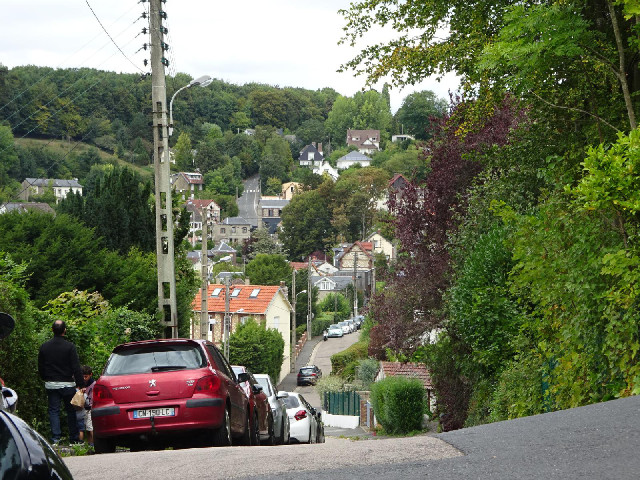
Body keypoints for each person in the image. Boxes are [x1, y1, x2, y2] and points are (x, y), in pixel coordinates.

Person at [38, 320, 84, 445]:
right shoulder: (70, 346)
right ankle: (74, 439)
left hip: (51, 384)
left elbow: (41, 367)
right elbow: (76, 367)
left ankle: (55, 439)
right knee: (70, 410)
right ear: (65, 330)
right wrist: (81, 384)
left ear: (52, 330)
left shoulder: (44, 346)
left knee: (54, 410)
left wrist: (45, 377)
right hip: (68, 384)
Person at [81, 365, 95, 447]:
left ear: (90, 375)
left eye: (86, 377)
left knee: (90, 427)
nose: (84, 379)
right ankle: (90, 443)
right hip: (83, 408)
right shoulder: (81, 384)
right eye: (83, 377)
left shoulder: (93, 384)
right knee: (87, 427)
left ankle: (93, 443)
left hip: (90, 408)